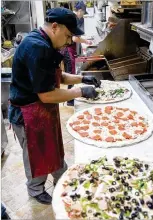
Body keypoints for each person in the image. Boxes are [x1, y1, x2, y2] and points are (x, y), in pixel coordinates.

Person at [8, 7, 100, 205]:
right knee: (35, 154)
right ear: (55, 27)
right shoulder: (37, 47)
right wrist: (81, 91)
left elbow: (56, 77)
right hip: (28, 113)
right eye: (68, 36)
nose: (69, 42)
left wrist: (83, 78)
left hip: (41, 109)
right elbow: (47, 94)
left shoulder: (44, 42)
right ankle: (35, 189)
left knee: (52, 146)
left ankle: (62, 177)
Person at [60, 1, 92, 106]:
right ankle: (70, 100)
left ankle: (70, 98)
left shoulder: (75, 18)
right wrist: (86, 41)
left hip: (70, 50)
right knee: (71, 73)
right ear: (79, 10)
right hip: (68, 50)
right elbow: (74, 38)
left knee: (71, 73)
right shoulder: (74, 19)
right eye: (83, 12)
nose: (83, 14)